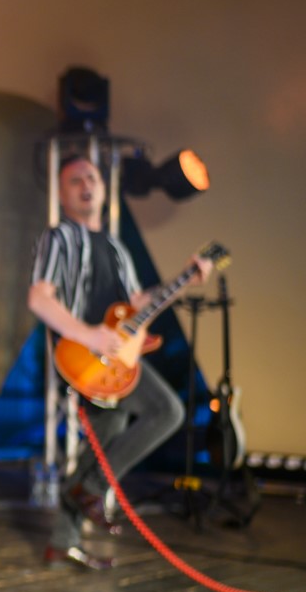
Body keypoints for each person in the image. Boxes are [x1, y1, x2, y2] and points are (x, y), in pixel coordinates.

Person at [28, 155, 210, 569]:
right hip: (85, 356)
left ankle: (62, 543)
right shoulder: (59, 238)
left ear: (104, 189)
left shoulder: (116, 248)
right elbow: (39, 298)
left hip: (116, 361)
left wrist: (183, 280)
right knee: (166, 410)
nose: (86, 185)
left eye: (92, 178)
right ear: (62, 194)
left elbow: (137, 303)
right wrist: (88, 334)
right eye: (75, 180)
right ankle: (91, 488)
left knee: (104, 440)